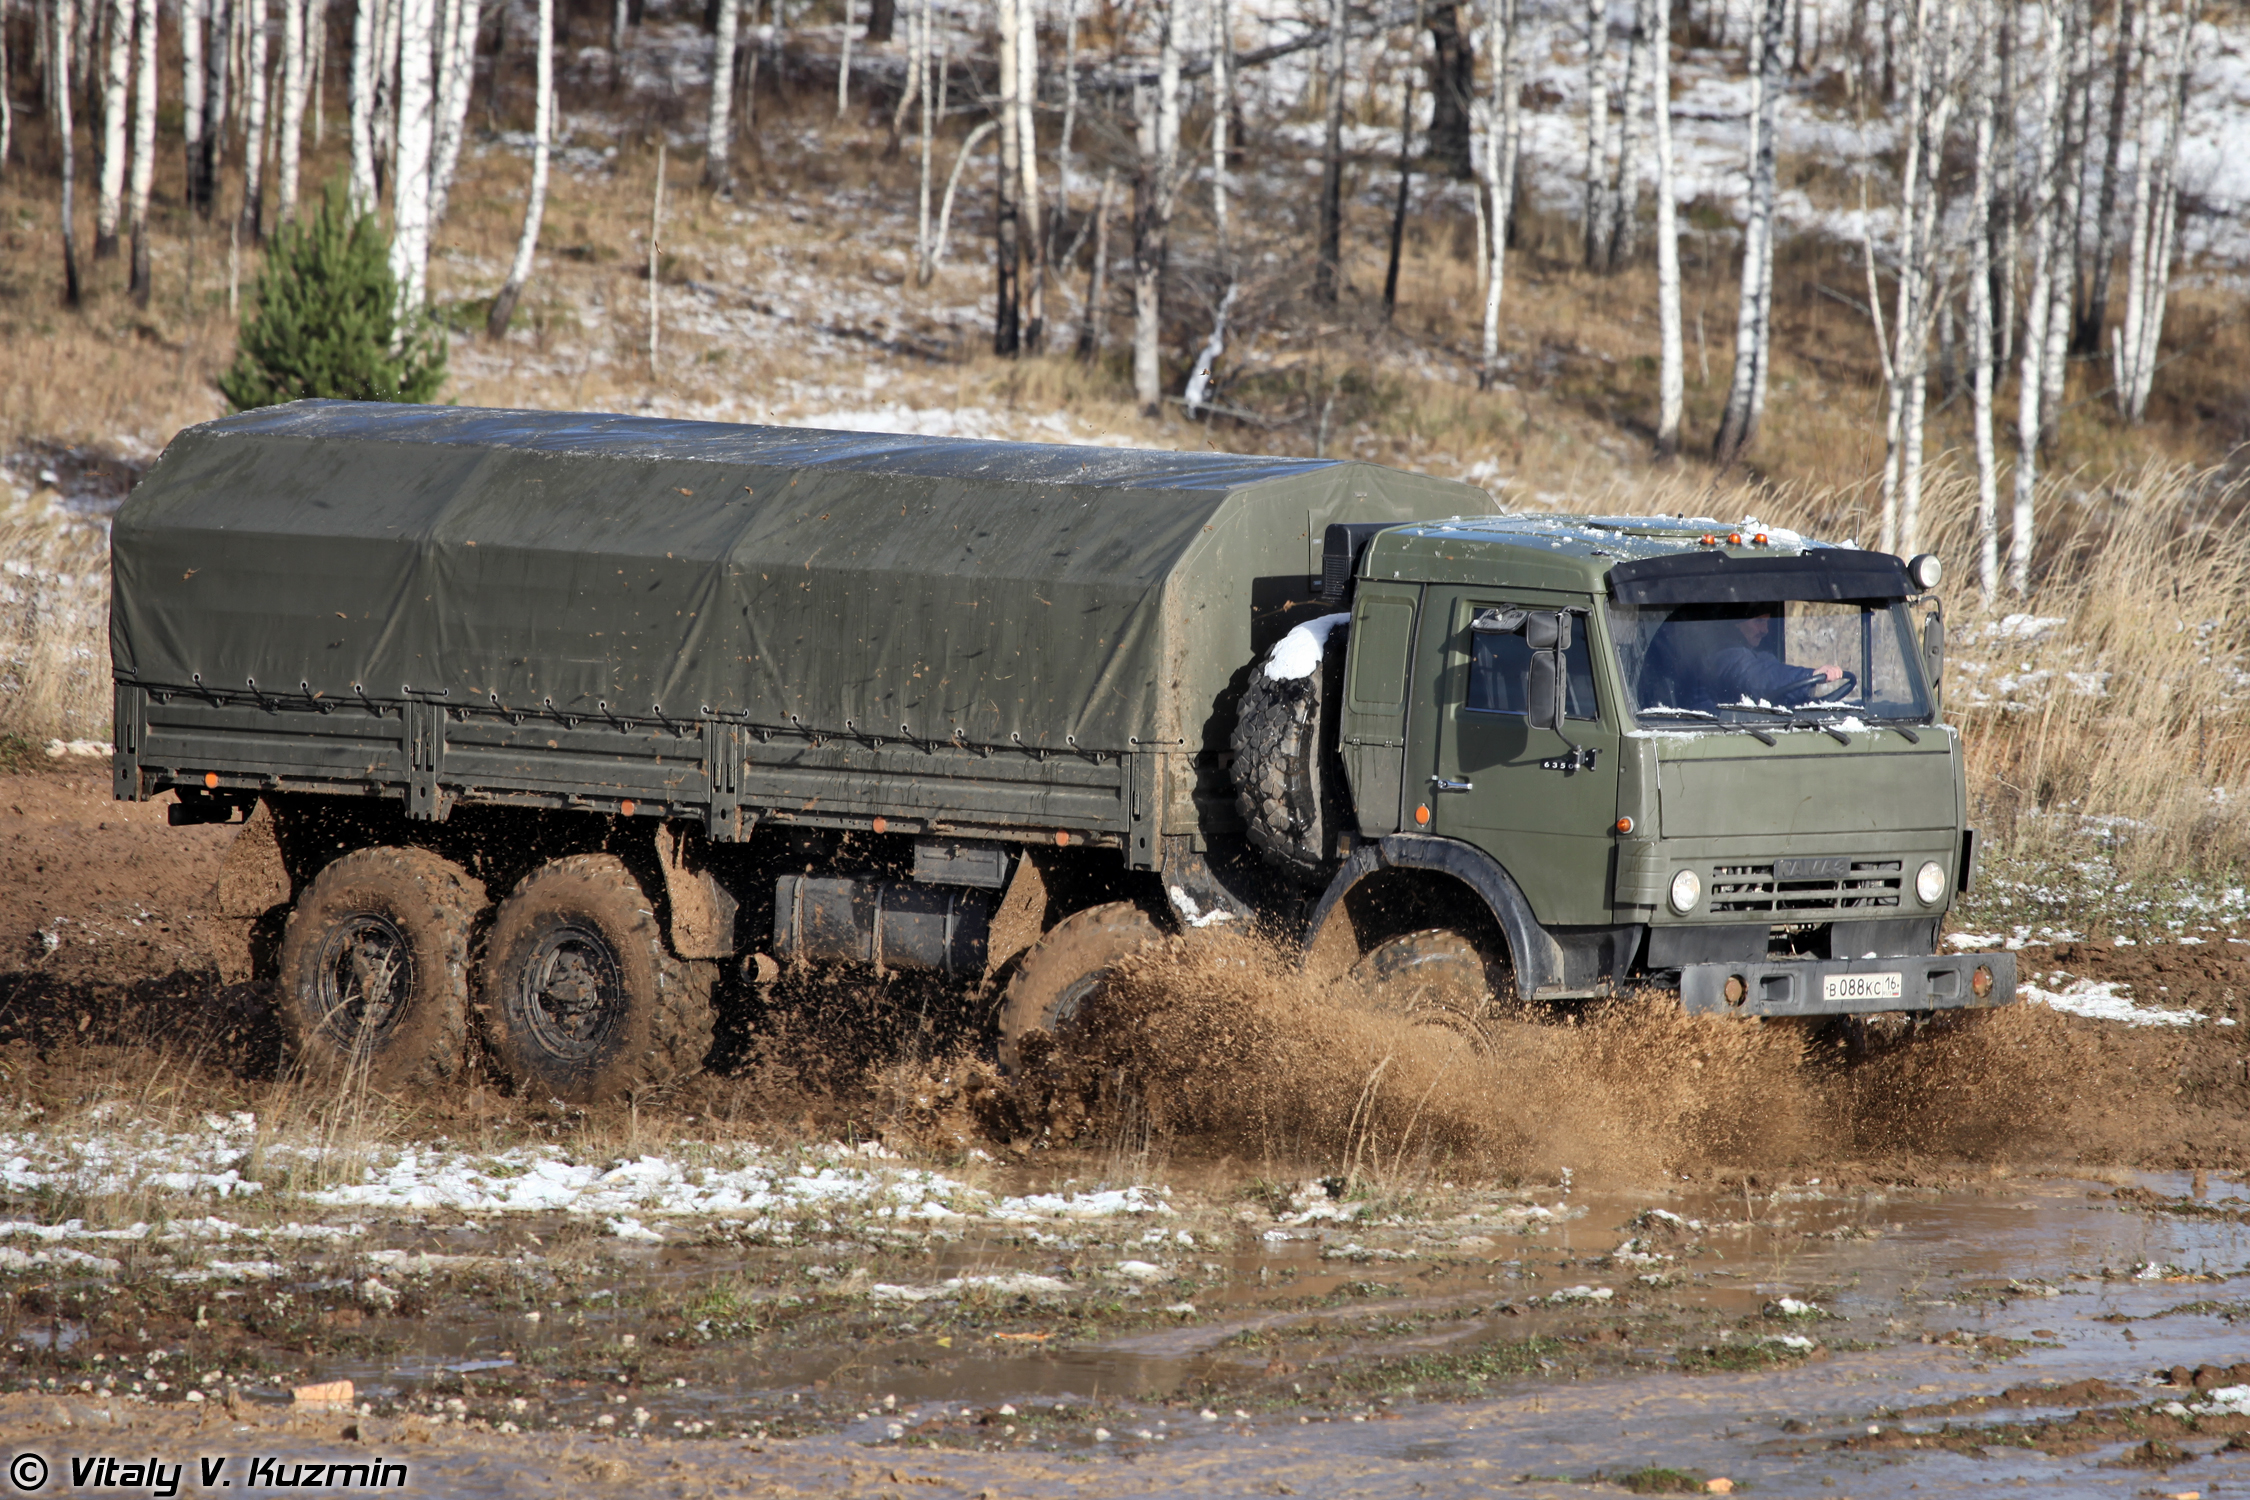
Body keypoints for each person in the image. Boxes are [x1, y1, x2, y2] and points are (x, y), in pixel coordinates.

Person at [1699, 609, 1843, 706]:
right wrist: (1809, 676)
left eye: (1767, 622)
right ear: (1736, 623)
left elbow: (1770, 671)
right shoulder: (1725, 655)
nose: (1765, 630)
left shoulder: (1760, 656)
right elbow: (1759, 677)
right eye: (1759, 621)